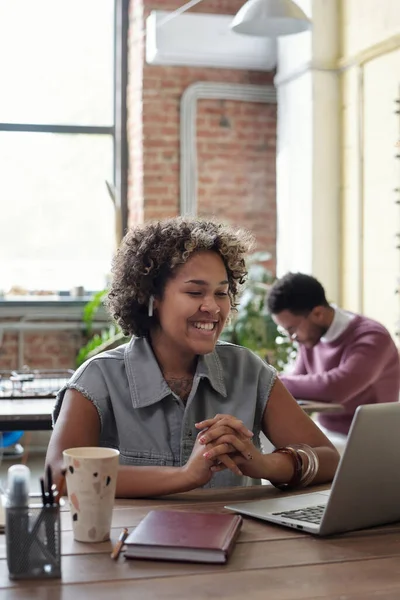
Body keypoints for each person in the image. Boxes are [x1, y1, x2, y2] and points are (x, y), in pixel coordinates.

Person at [46, 218, 339, 498]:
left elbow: (329, 459)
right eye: (195, 292)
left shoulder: (247, 370)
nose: (212, 307)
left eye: (221, 293)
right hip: (129, 544)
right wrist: (186, 476)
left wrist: (262, 463)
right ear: (151, 298)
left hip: (239, 544)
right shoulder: (98, 380)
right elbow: (59, 477)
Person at [267, 272, 400, 436]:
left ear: (318, 314)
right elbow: (297, 385)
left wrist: (271, 380)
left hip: (372, 437)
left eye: (292, 330)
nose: (292, 339)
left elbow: (335, 388)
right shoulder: (311, 336)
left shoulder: (373, 337)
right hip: (328, 433)